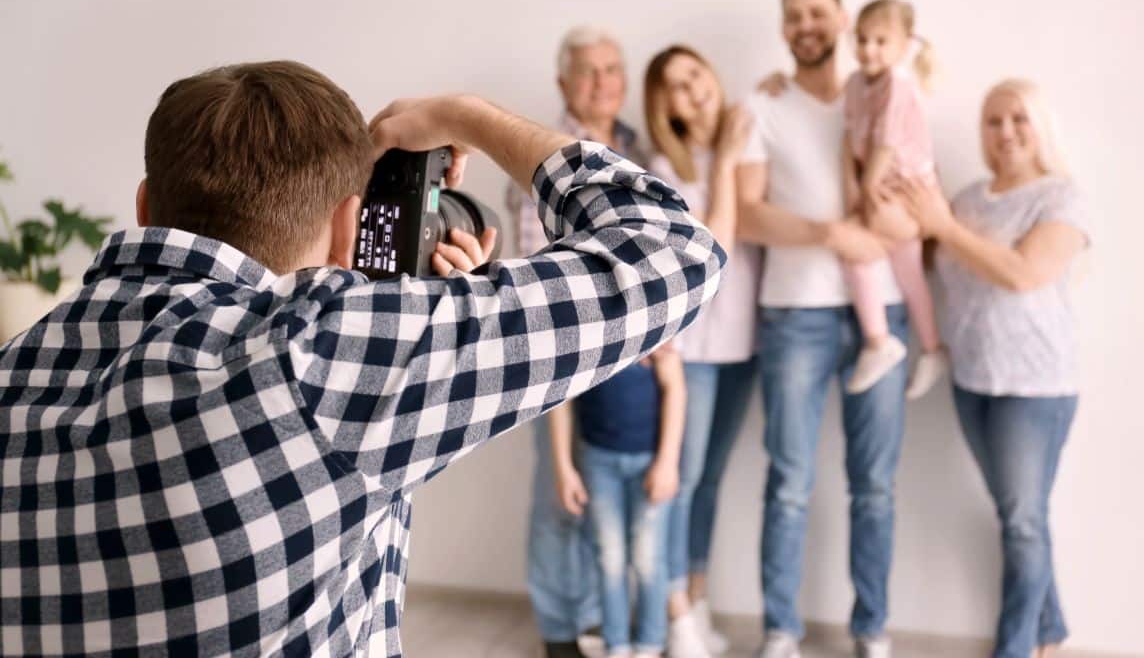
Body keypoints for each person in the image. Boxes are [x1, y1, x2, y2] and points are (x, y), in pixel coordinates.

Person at [0, 61, 725, 657]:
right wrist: (468, 114)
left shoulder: (18, 365)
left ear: (146, 204)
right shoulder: (321, 358)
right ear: (350, 223)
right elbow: (677, 252)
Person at [737, 0, 909, 658]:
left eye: (817, 12)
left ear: (841, 18)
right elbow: (748, 214)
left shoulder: (882, 97)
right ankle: (781, 629)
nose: (805, 25)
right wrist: (828, 233)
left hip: (883, 319)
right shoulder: (763, 106)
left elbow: (911, 187)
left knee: (875, 486)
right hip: (794, 317)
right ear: (784, 30)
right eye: (792, 16)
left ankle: (872, 630)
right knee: (790, 484)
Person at [895, 79, 1089, 658]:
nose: (1005, 132)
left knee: (1022, 521)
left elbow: (1023, 273)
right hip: (972, 378)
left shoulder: (1061, 198)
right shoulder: (971, 196)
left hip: (1034, 386)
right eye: (993, 121)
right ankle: (1050, 634)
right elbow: (928, 253)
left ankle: (1016, 647)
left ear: (1039, 125)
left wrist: (944, 226)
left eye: (1017, 119)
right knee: (1019, 514)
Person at [505, 25, 651, 658]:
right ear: (564, 83)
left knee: (608, 505)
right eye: (588, 71)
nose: (602, 82)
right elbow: (537, 267)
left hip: (632, 360)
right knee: (559, 496)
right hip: (564, 354)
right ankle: (560, 632)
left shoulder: (640, 151)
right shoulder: (544, 158)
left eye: (612, 69)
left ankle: (597, 620)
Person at [642, 45, 762, 657]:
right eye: (675, 90)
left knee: (709, 480)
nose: (692, 93)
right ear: (665, 110)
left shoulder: (744, 145)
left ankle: (697, 594)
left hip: (743, 344)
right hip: (692, 349)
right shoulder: (668, 166)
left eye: (695, 76)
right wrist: (728, 162)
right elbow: (718, 244)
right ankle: (675, 616)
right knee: (680, 482)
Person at [547, 336, 685, 658]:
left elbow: (676, 390)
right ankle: (616, 645)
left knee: (649, 558)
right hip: (598, 461)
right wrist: (564, 470)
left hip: (650, 461)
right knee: (609, 557)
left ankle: (650, 645)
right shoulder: (584, 339)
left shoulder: (657, 332)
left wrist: (667, 462)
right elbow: (559, 401)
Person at [840, 0, 948, 399]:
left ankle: (878, 340)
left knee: (854, 247)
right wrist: (855, 185)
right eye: (862, 39)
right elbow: (852, 137)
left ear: (903, 46)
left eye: (881, 41)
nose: (869, 50)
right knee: (909, 274)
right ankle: (933, 348)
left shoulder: (899, 85)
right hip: (881, 184)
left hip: (906, 187)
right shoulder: (854, 84)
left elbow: (885, 143)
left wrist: (867, 190)